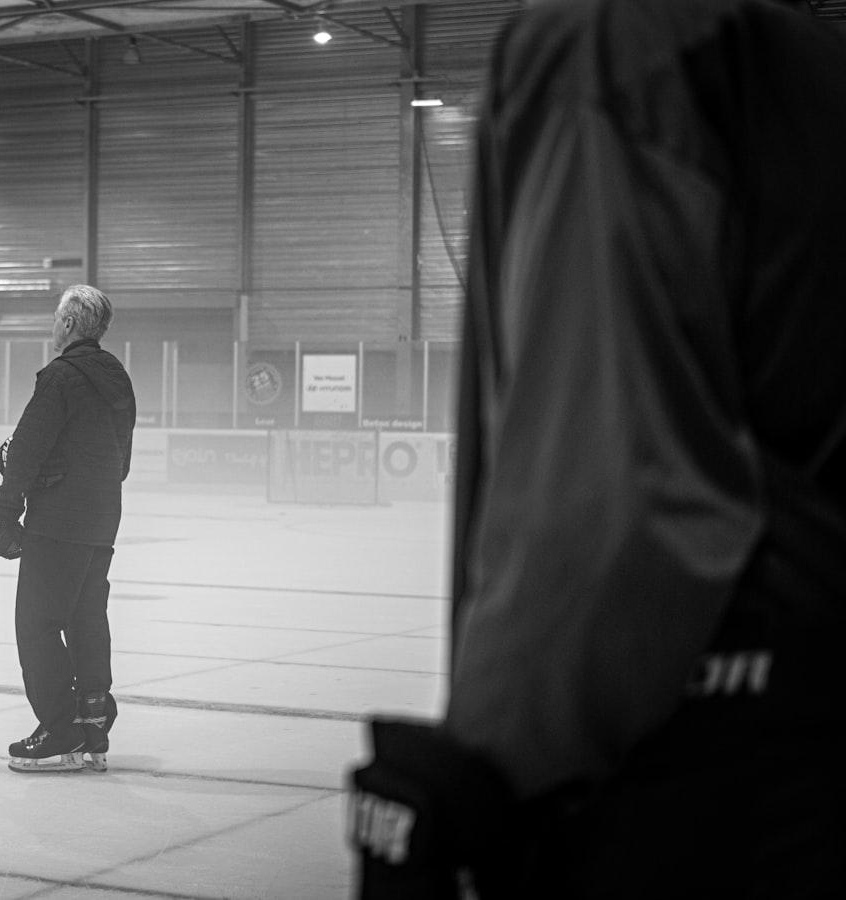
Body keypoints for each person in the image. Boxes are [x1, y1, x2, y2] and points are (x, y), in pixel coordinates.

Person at [347, 1, 846, 897]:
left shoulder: (611, 43)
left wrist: (473, 795)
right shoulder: (811, 58)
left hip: (677, 769)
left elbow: (609, 500)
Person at [0, 284, 137, 773]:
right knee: (87, 617)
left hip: (59, 523)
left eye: (56, 319)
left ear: (69, 324)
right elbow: (118, 461)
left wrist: (3, 513)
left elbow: (27, 449)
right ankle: (92, 720)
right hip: (101, 520)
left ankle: (59, 729)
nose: (54, 326)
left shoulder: (60, 377)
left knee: (38, 622)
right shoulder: (118, 377)